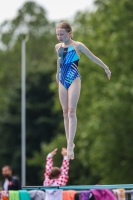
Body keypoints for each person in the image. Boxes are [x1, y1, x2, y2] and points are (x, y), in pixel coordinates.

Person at [55, 21, 111, 160]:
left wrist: (105, 67)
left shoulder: (77, 45)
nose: (59, 37)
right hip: (62, 79)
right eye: (57, 34)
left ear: (69, 33)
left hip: (74, 78)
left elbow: (92, 57)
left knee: (72, 110)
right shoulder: (58, 47)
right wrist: (57, 74)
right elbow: (59, 61)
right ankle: (70, 142)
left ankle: (69, 145)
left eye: (62, 34)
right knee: (65, 112)